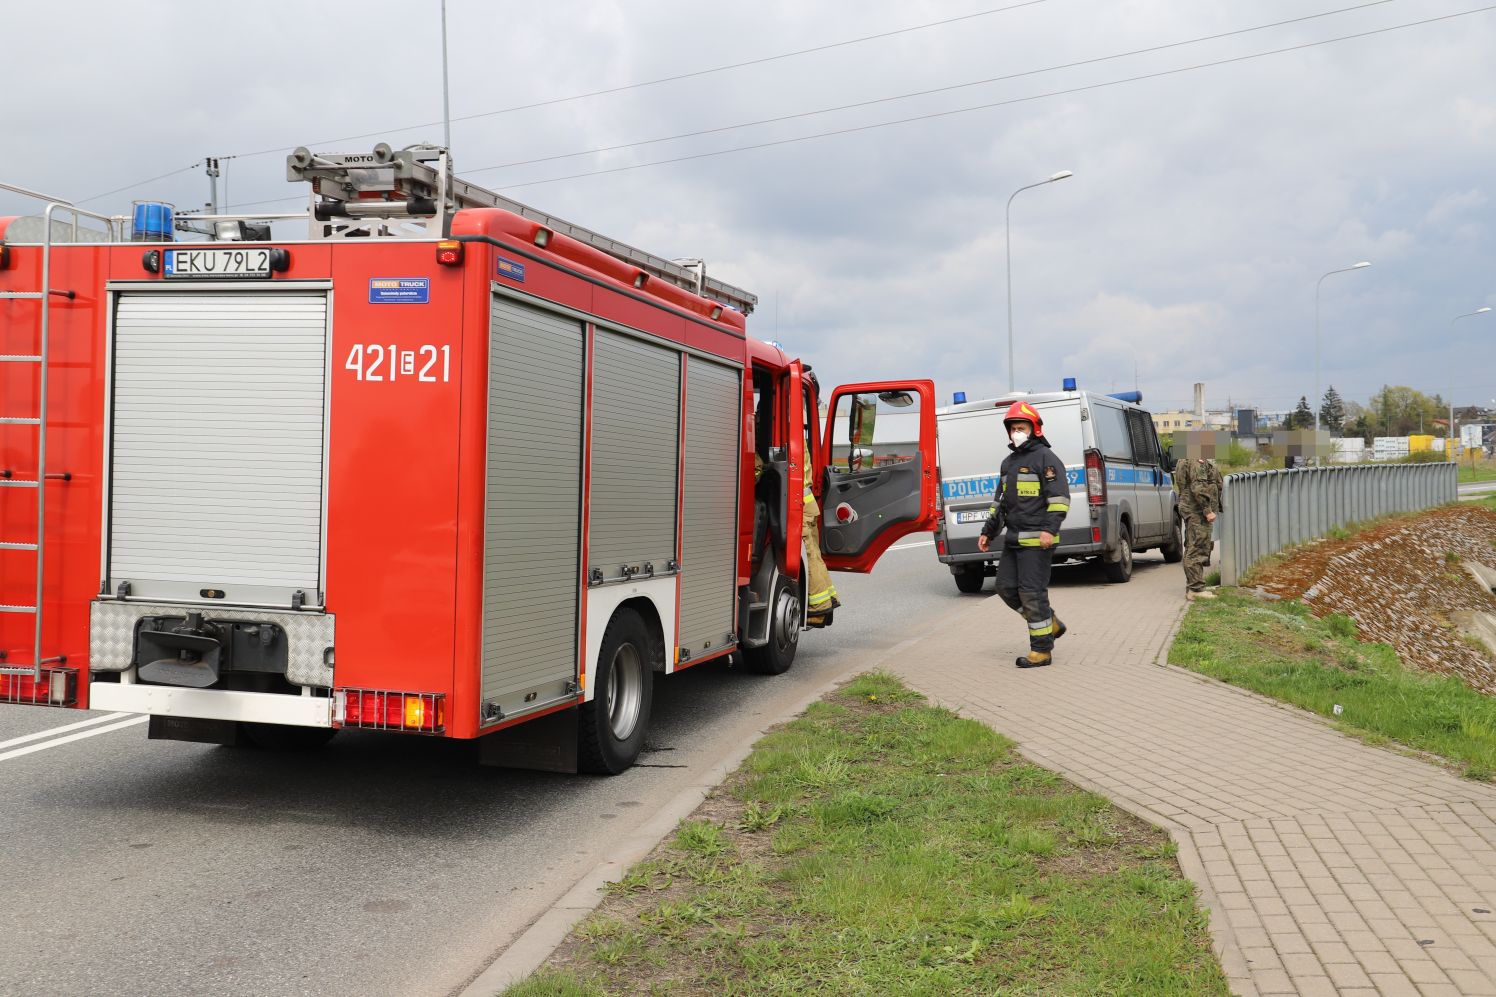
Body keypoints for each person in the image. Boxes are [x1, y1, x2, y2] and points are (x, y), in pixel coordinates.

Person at [977, 401, 1069, 668]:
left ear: (1034, 429)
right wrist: (988, 532)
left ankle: (1041, 650)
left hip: (1038, 541)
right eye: (1013, 428)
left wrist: (1050, 530)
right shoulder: (1009, 463)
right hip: (1014, 539)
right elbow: (1000, 503)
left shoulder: (1046, 459)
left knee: (1032, 593)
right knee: (1005, 588)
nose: (1017, 432)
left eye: (1021, 427)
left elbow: (1060, 499)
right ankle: (1048, 622)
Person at [1174, 431, 1224, 600]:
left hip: (1190, 508)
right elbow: (1198, 487)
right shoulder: (1196, 460)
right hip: (1196, 510)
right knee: (1196, 548)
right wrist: (1207, 510)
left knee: (1193, 546)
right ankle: (1195, 590)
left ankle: (1196, 587)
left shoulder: (1185, 458)